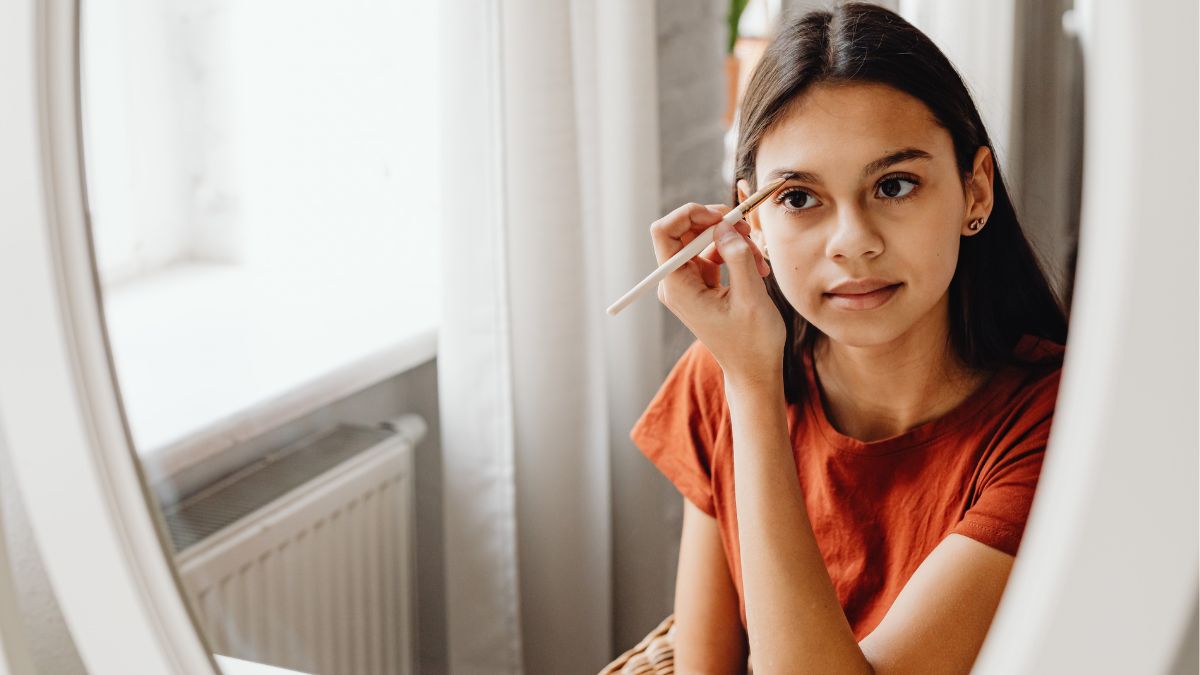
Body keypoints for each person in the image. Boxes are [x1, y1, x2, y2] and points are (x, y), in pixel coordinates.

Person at [629, 3, 1068, 674]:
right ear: (753, 223)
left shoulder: (1055, 423)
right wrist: (744, 382)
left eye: (894, 185)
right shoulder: (718, 375)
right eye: (799, 199)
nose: (853, 242)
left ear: (974, 191)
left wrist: (752, 387)